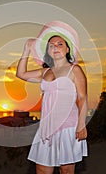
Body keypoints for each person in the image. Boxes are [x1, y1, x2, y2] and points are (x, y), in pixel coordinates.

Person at [16, 21, 88, 174]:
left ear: (67, 49)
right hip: (47, 127)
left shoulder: (75, 70)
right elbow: (21, 74)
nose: (55, 47)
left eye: (59, 44)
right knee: (42, 169)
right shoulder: (45, 72)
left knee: (66, 170)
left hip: (69, 126)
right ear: (47, 51)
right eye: (51, 45)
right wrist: (26, 49)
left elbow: (82, 97)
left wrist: (81, 124)